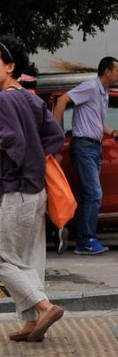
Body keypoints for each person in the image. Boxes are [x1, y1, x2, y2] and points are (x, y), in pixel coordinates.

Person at [0, 36, 66, 342]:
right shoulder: (31, 99)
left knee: (0, 258)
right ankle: (31, 322)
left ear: (9, 67)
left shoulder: (4, 100)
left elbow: (15, 143)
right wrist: (33, 154)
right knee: (28, 258)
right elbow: (55, 136)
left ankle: (44, 307)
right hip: (36, 190)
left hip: (17, 190)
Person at [52, 56, 118, 255]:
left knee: (89, 194)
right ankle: (87, 241)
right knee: (94, 194)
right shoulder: (90, 87)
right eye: (117, 70)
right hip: (84, 146)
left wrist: (112, 132)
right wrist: (55, 134)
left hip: (94, 147)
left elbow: (96, 122)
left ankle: (84, 238)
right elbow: (63, 100)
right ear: (107, 71)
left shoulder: (103, 93)